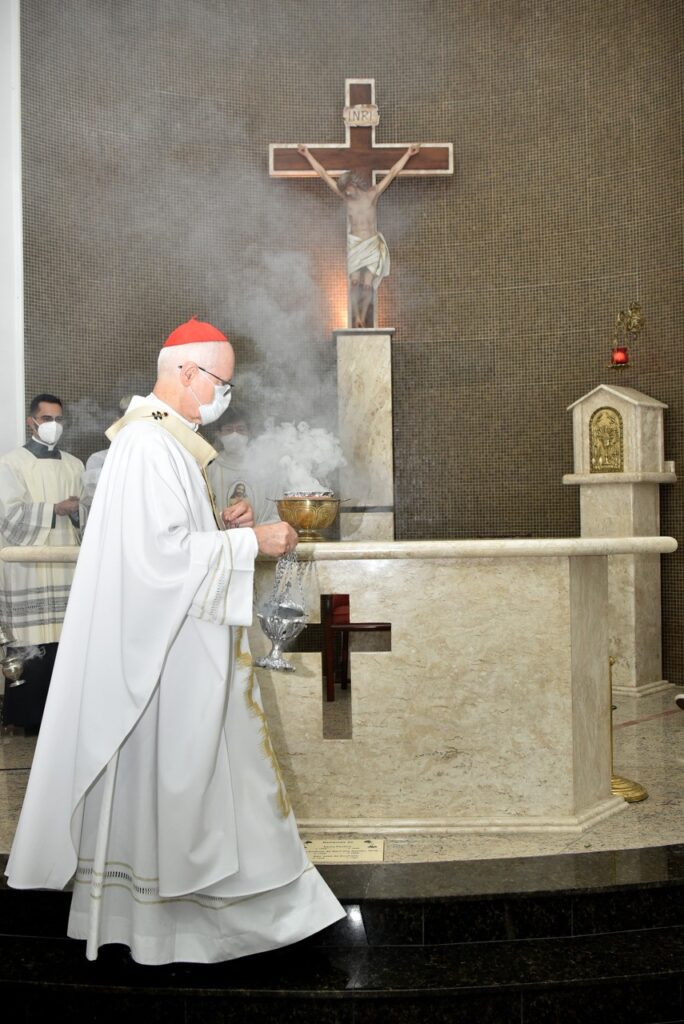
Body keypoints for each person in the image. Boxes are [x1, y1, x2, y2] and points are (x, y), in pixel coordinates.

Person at [6, 317, 345, 964]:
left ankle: (240, 920)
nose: (225, 396)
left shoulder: (165, 442)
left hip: (180, 646)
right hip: (164, 662)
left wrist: (222, 529)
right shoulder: (146, 446)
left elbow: (169, 542)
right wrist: (251, 542)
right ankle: (199, 929)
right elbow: (157, 560)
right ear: (186, 372)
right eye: (221, 382)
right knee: (186, 787)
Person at [0, 394, 84, 732]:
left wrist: (78, 512)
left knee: (66, 644)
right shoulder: (10, 464)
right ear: (30, 422)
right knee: (31, 646)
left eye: (59, 419)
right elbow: (8, 516)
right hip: (28, 571)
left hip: (66, 568)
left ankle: (62, 720)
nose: (54, 425)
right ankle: (27, 720)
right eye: (47, 419)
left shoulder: (75, 466)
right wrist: (55, 509)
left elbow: (90, 515)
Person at [298, 142, 420, 328]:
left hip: (371, 243)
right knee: (354, 282)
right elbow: (323, 174)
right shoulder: (347, 199)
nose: (346, 193)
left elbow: (392, 173)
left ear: (353, 185)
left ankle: (362, 318)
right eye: (344, 191)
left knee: (368, 285)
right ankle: (356, 317)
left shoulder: (372, 194)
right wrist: (307, 154)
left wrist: (408, 154)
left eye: (347, 189)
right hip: (355, 243)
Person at [209, 412, 278, 526]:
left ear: (249, 433)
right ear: (219, 434)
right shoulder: (210, 469)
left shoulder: (266, 468)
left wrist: (258, 532)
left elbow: (277, 511)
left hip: (261, 535)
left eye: (241, 429)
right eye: (228, 430)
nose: (235, 435)